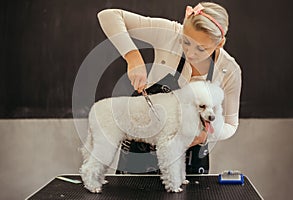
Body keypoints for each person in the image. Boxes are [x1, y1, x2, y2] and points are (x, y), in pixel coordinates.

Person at [97, 2, 242, 174]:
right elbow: (108, 15)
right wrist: (132, 56)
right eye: (186, 42)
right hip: (142, 147)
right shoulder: (170, 33)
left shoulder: (229, 70)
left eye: (201, 49)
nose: (190, 53)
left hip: (190, 156)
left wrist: (205, 135)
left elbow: (231, 125)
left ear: (219, 44)